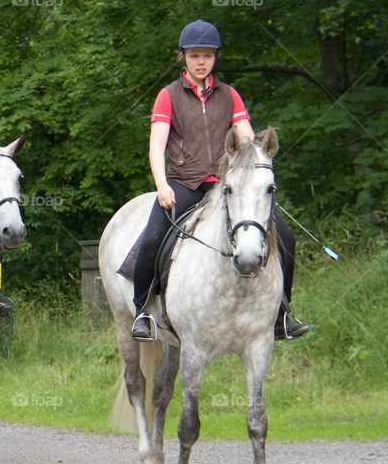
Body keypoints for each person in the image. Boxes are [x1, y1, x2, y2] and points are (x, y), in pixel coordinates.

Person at [130, 20, 310, 341]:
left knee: (285, 237)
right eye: (195, 55)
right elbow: (156, 145)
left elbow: (246, 140)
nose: (201, 62)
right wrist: (162, 186)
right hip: (184, 184)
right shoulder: (167, 96)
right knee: (152, 237)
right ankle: (143, 311)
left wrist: (254, 167)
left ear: (215, 58)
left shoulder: (230, 96)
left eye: (208, 56)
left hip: (226, 188)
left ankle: (281, 315)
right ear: (183, 57)